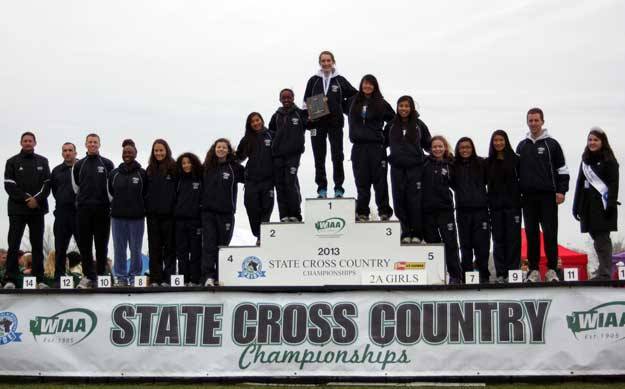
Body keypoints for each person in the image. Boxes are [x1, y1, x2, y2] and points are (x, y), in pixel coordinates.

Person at [517, 108, 569, 282]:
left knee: (550, 234)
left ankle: (552, 270)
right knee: (531, 234)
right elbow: (515, 173)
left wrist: (561, 191)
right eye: (530, 120)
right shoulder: (522, 146)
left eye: (536, 120)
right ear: (527, 122)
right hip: (528, 198)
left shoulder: (552, 144)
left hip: (548, 197)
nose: (533, 123)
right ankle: (533, 270)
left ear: (542, 121)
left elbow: (563, 169)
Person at [303, 50, 357, 198]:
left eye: (329, 60)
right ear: (319, 63)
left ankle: (339, 187)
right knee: (319, 157)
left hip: (335, 124)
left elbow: (355, 96)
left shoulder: (340, 80)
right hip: (317, 125)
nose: (326, 63)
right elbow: (304, 104)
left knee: (337, 155)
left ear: (333, 62)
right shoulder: (313, 81)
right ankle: (322, 188)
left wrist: (340, 107)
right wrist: (309, 118)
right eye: (323, 61)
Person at [3, 131, 50, 289]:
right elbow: (9, 184)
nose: (28, 143)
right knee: (13, 244)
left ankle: (39, 279)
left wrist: (36, 199)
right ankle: (10, 279)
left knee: (37, 245)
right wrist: (26, 199)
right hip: (17, 209)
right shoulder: (12, 162)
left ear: (35, 143)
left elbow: (47, 185)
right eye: (25, 140)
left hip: (37, 209)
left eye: (30, 141)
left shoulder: (43, 161)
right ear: (21, 143)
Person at [573, 127, 620, 280]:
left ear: (602, 142)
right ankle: (602, 268)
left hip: (603, 205)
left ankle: (605, 272)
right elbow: (580, 183)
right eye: (590, 140)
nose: (592, 143)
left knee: (602, 240)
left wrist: (611, 204)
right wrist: (575, 206)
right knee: (596, 238)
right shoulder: (585, 160)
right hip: (587, 205)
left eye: (595, 140)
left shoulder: (609, 160)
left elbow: (614, 184)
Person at [347, 74, 394, 221]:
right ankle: (362, 212)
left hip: (376, 147)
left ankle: (384, 211)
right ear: (361, 85)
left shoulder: (381, 103)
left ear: (375, 86)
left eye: (370, 84)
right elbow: (333, 104)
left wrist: (384, 138)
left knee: (380, 182)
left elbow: (393, 120)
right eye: (365, 83)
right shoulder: (352, 101)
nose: (367, 86)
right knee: (362, 181)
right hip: (358, 147)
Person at [385, 95, 431, 243]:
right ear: (397, 107)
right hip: (397, 168)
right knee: (399, 201)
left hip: (415, 168)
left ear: (411, 108)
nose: (404, 109)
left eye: (407, 106)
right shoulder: (391, 124)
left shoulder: (419, 125)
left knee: (414, 201)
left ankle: (417, 233)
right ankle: (405, 232)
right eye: (401, 106)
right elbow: (381, 144)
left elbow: (428, 145)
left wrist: (441, 157)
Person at [72, 133, 114, 289]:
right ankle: (89, 276)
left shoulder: (107, 163)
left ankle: (101, 275)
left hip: (102, 210)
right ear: (85, 144)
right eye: (90, 142)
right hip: (83, 210)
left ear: (99, 144)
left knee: (101, 245)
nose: (92, 144)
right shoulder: (79, 164)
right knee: (85, 245)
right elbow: (76, 186)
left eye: (95, 142)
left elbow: (112, 186)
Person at [201, 138, 244, 286]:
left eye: (224, 147)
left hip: (226, 213)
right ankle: (208, 277)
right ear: (214, 149)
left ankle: (221, 276)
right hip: (208, 213)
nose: (221, 150)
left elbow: (251, 177)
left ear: (229, 150)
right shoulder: (206, 167)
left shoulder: (235, 168)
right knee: (209, 245)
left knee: (223, 246)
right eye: (218, 147)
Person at [422, 135, 463, 284]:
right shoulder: (424, 163)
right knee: (433, 244)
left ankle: (456, 276)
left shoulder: (451, 164)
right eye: (434, 147)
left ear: (445, 147)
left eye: (440, 146)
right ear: (430, 149)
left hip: (445, 211)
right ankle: (437, 275)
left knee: (450, 243)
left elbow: (458, 185)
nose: (437, 149)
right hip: (428, 211)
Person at [452, 137, 490, 283]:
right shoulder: (453, 165)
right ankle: (467, 277)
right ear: (458, 149)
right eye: (462, 148)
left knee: (482, 246)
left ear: (472, 148)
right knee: (465, 246)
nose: (465, 150)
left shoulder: (482, 163)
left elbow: (489, 181)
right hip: (462, 211)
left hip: (481, 211)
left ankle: (484, 276)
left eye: (468, 147)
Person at [109, 139, 147, 287]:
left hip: (136, 218)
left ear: (135, 153)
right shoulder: (114, 174)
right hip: (117, 218)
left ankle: (135, 276)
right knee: (119, 249)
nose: (127, 155)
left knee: (135, 248)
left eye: (130, 152)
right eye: (125, 152)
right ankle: (121, 277)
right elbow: (110, 193)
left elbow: (146, 194)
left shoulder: (142, 174)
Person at [487, 130, 521, 283]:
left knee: (513, 240)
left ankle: (513, 272)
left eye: (501, 140)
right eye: (495, 140)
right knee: (498, 240)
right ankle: (501, 273)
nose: (498, 143)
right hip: (495, 208)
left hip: (513, 207)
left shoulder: (516, 160)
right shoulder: (488, 163)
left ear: (506, 141)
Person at [269, 88, 307, 224]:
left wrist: (319, 106)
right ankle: (284, 215)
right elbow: (271, 133)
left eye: (288, 97)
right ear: (280, 99)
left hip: (293, 155)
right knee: (279, 185)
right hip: (278, 155)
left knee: (290, 183)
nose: (286, 100)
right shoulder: (276, 115)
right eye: (283, 98)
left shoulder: (300, 113)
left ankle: (295, 214)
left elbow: (312, 123)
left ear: (293, 98)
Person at [236, 112, 275, 241]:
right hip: (251, 181)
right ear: (249, 125)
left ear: (262, 120)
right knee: (251, 206)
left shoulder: (271, 135)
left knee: (266, 208)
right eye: (252, 122)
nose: (255, 123)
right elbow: (238, 158)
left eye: (257, 120)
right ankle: (257, 233)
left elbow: (280, 153)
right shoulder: (247, 139)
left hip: (268, 180)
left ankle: (262, 237)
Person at [145, 139, 178, 287]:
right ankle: (155, 279)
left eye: (161, 150)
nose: (159, 153)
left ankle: (168, 278)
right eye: (156, 151)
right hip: (152, 216)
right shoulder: (149, 169)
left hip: (170, 216)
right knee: (154, 249)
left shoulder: (174, 168)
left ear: (167, 150)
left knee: (170, 249)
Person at [50, 142, 79, 288]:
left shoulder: (81, 167)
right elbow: (55, 191)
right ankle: (58, 277)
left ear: (75, 152)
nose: (67, 153)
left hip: (79, 214)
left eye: (70, 150)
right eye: (65, 151)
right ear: (62, 153)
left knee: (84, 247)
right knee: (60, 248)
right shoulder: (56, 171)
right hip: (62, 214)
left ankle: (89, 277)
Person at [174, 152, 203, 286]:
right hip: (180, 221)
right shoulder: (178, 180)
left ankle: (195, 279)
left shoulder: (200, 178)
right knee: (182, 252)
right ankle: (183, 279)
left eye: (188, 162)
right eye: (184, 163)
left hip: (195, 221)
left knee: (196, 251)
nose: (186, 165)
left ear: (194, 163)